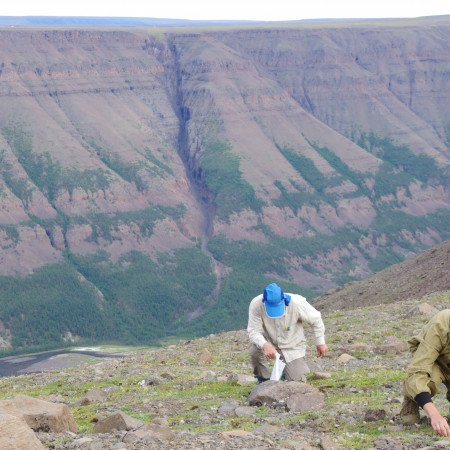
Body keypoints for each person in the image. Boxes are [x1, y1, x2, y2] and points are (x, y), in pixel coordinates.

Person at [247, 282, 328, 383]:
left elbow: (316, 319)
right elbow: (253, 331)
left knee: (296, 381)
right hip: (269, 340)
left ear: (283, 299)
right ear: (264, 301)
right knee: (255, 348)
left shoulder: (297, 303)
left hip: (292, 346)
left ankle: (285, 371)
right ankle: (264, 378)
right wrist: (265, 345)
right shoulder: (256, 304)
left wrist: (320, 342)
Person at [400, 309, 450, 437]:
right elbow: (418, 371)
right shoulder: (441, 324)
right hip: (434, 361)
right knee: (427, 380)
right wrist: (435, 416)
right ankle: (412, 400)